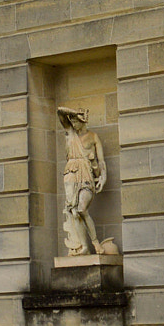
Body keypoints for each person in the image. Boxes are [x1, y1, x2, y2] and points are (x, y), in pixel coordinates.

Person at [58, 106, 115, 256]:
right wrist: (72, 113)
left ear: (83, 122)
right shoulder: (70, 134)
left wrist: (103, 176)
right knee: (75, 212)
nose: (74, 124)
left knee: (82, 208)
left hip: (86, 174)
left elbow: (101, 161)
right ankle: (84, 247)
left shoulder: (93, 137)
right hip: (71, 173)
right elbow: (60, 113)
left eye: (76, 121)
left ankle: (95, 243)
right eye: (73, 121)